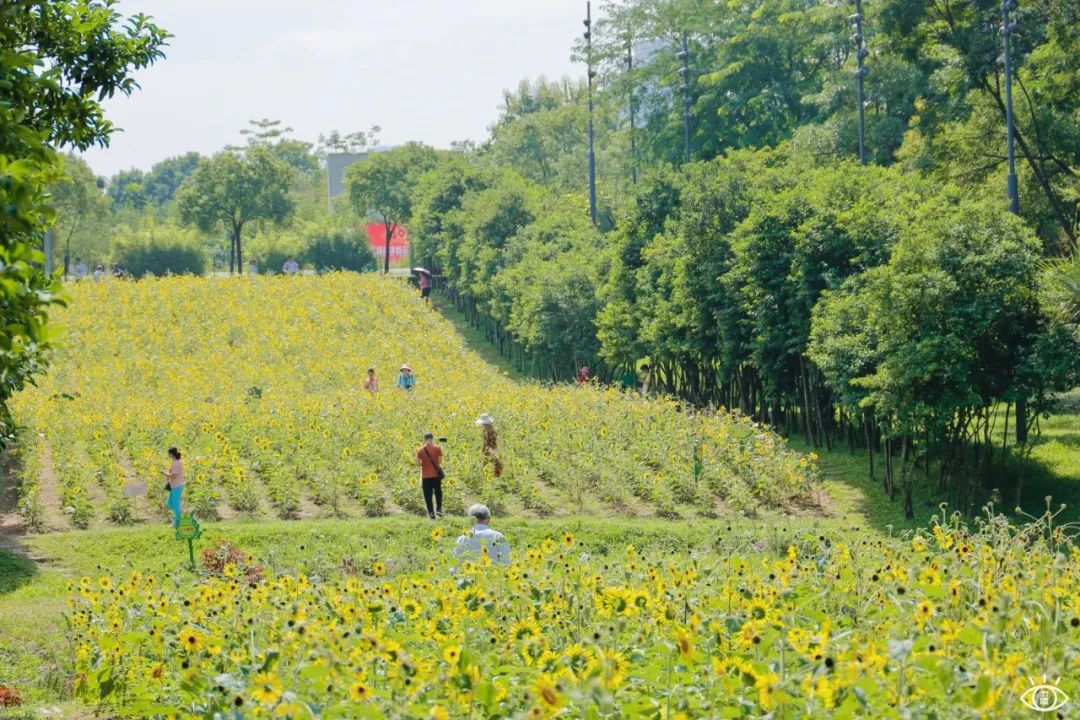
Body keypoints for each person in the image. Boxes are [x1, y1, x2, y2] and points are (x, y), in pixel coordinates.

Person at [416, 432, 444, 519]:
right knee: (438, 492)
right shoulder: (437, 447)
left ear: (424, 439)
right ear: (432, 438)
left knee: (427, 495)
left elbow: (417, 463)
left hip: (426, 476)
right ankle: (439, 509)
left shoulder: (420, 450)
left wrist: (423, 464)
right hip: (436, 475)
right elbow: (440, 461)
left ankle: (432, 514)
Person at [162, 447, 184, 527]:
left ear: (171, 454)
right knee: (170, 503)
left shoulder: (176, 463)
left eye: (168, 453)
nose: (168, 455)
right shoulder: (176, 462)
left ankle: (177, 522)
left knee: (175, 504)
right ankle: (180, 515)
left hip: (176, 486)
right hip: (175, 486)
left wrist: (164, 473)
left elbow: (174, 475)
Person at [476, 413, 503, 477]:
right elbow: (496, 441)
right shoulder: (494, 429)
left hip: (489, 450)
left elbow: (486, 443)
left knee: (485, 467)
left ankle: (487, 480)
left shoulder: (486, 431)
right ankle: (498, 479)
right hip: (496, 449)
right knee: (496, 466)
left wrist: (483, 450)